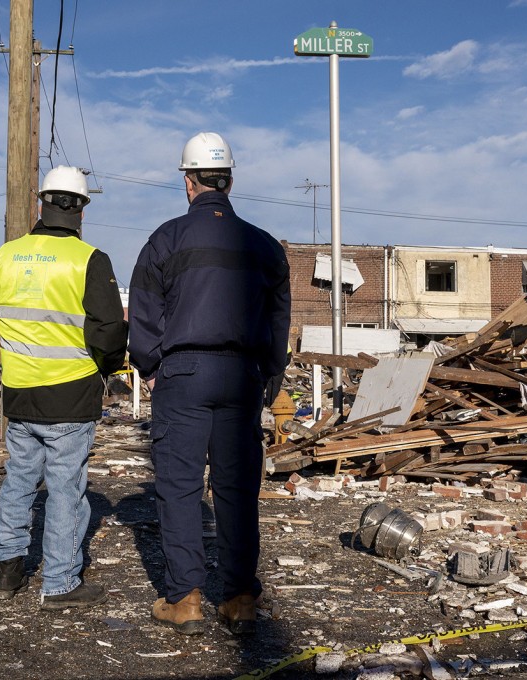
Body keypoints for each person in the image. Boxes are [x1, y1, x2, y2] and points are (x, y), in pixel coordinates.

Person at [128, 132, 291, 636]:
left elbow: (144, 311)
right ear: (230, 180)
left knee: (179, 488)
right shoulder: (264, 246)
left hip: (184, 375)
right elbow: (278, 320)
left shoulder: (166, 238)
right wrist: (268, 373)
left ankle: (186, 599)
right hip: (241, 375)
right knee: (237, 489)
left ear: (188, 181)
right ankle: (241, 599)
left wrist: (151, 367)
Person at [0, 166, 128, 610]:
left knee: (19, 479)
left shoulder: (7, 255)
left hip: (20, 392)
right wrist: (106, 369)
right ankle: (59, 582)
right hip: (71, 395)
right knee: (65, 489)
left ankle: (8, 569)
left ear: (43, 202)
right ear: (80, 208)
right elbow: (110, 331)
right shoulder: (89, 260)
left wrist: (11, 353)